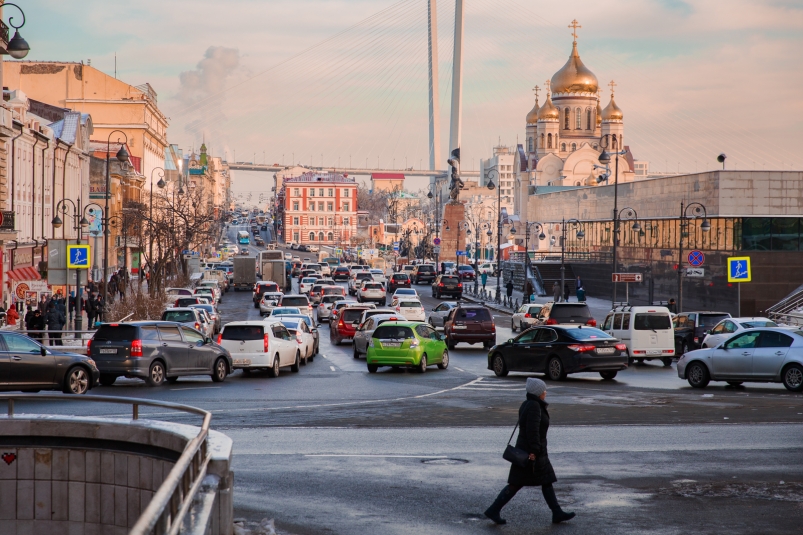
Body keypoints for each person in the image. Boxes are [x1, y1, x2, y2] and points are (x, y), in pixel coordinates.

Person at [484, 378, 575, 525]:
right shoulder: (534, 406)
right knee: (516, 483)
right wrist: (535, 451)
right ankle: (494, 509)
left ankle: (557, 512)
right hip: (531, 453)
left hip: (533, 450)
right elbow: (532, 431)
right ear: (538, 392)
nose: (545, 392)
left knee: (546, 480)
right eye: (543, 390)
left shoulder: (529, 404)